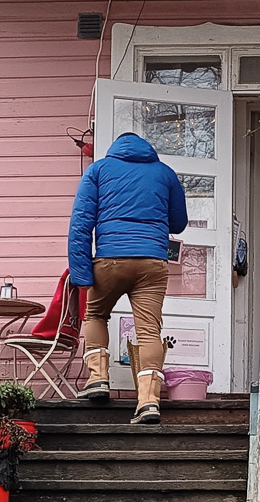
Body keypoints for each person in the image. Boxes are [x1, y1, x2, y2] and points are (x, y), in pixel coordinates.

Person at [68, 132, 189, 424]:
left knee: (96, 313)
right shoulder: (165, 173)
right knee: (149, 331)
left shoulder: (98, 170)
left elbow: (81, 223)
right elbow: (178, 223)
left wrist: (80, 273)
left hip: (110, 260)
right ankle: (148, 402)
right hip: (151, 262)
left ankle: (98, 379)